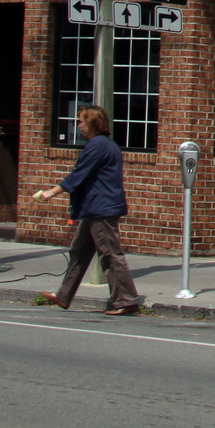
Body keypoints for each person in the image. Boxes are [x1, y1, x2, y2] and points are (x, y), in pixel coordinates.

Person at [33, 105, 142, 315]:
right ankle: (64, 296)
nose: (79, 125)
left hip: (101, 208)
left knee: (110, 254)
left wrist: (51, 192)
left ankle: (126, 300)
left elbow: (79, 174)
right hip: (94, 208)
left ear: (92, 123)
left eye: (81, 121)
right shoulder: (104, 145)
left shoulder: (98, 146)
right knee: (79, 252)